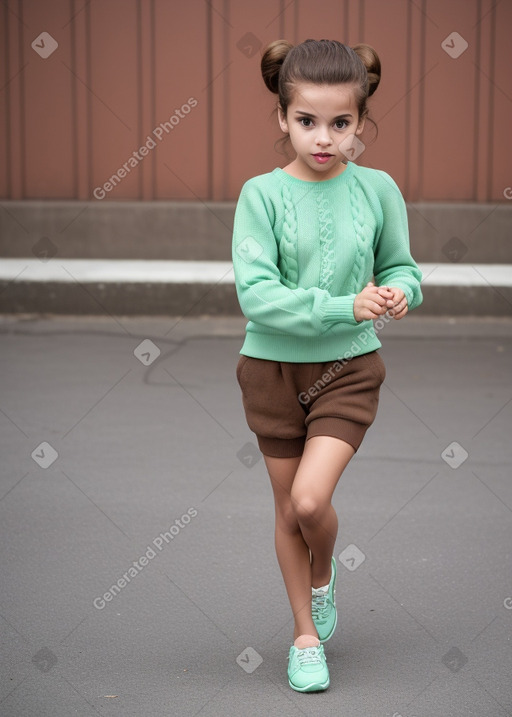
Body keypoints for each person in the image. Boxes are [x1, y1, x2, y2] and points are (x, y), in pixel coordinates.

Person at [232, 38, 423, 693]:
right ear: (282, 118)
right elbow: (256, 296)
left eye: (341, 123)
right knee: (288, 510)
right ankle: (304, 637)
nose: (324, 137)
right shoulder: (259, 195)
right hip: (271, 372)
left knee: (313, 499)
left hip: (348, 368)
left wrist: (402, 291)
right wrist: (346, 302)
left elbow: (401, 266)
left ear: (360, 124)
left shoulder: (378, 189)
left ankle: (322, 574)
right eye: (307, 121)